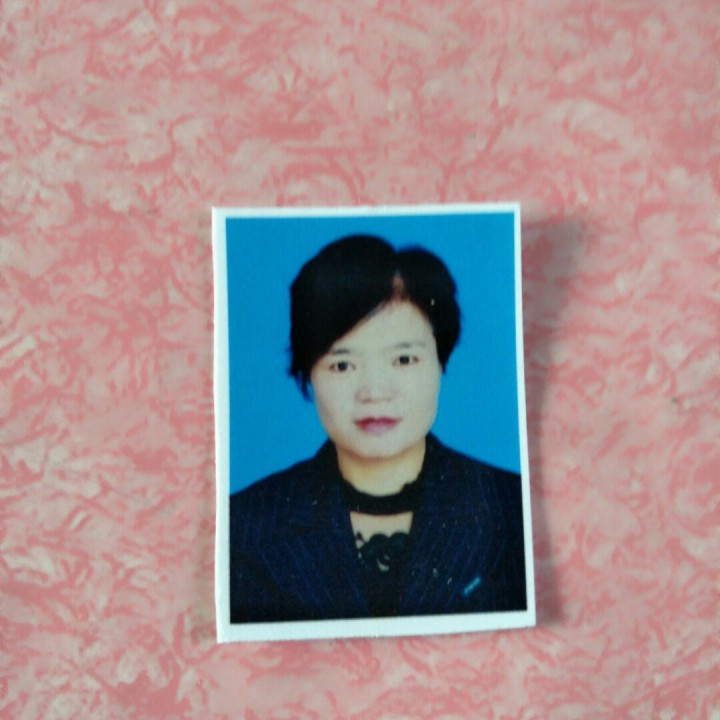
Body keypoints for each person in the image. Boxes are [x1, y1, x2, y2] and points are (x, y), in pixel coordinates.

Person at [229, 234, 527, 623]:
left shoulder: (512, 508)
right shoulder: (244, 524)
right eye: (342, 365)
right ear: (309, 375)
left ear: (441, 362)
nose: (374, 392)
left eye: (403, 359)